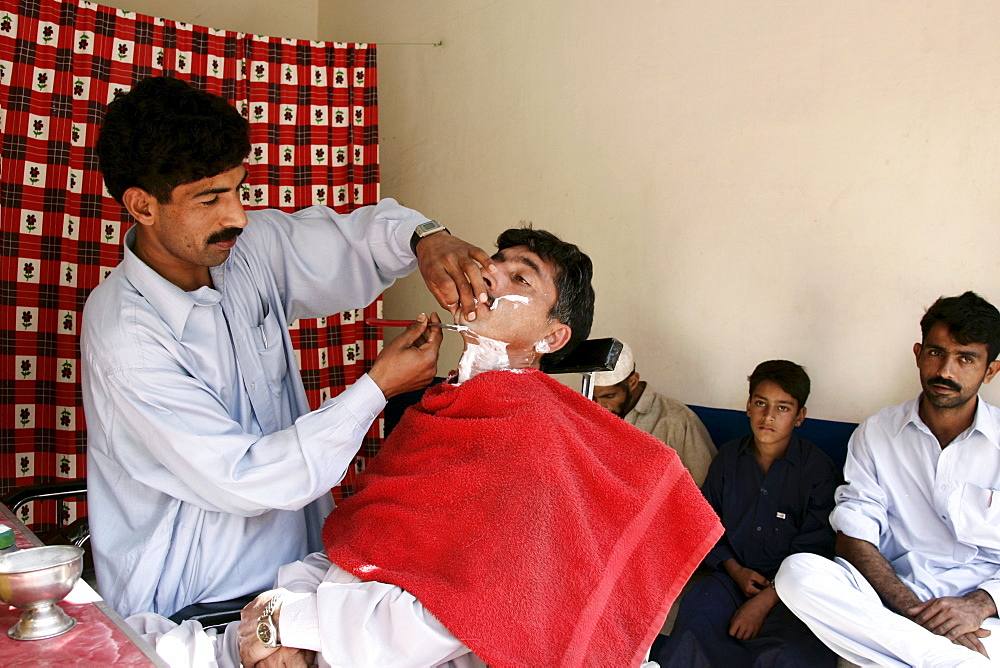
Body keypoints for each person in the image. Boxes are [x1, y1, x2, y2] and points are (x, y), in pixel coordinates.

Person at [128, 227, 724, 668]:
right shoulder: (442, 412)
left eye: (521, 279)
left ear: (553, 336)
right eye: (495, 265)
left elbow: (456, 618)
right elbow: (363, 544)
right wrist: (279, 608)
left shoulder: (536, 443)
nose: (492, 276)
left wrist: (297, 625)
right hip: (324, 626)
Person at [82, 76, 495, 618]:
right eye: (210, 198)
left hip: (297, 576)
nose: (237, 216)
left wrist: (426, 239)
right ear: (142, 207)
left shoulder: (246, 250)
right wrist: (377, 389)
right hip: (196, 605)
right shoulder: (127, 338)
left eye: (238, 188)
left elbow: (357, 241)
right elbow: (248, 479)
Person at [777, 291, 1000, 667]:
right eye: (936, 353)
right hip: (888, 600)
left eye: (965, 358)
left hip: (980, 617)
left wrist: (979, 605)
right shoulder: (877, 432)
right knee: (796, 574)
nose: (946, 371)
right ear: (918, 353)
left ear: (990, 370)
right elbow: (853, 539)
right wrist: (916, 612)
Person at [652, 360, 839, 667]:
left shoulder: (817, 470)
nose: (768, 416)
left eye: (782, 408)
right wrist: (735, 570)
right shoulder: (729, 458)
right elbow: (708, 522)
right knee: (692, 629)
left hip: (793, 591)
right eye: (761, 403)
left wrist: (767, 599)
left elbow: (817, 549)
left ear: (799, 416)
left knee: (788, 654)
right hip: (731, 577)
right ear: (749, 406)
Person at [592, 341, 717, 485]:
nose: (600, 406)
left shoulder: (676, 420)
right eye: (594, 397)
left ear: (632, 382)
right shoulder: (591, 412)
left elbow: (703, 486)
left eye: (609, 396)